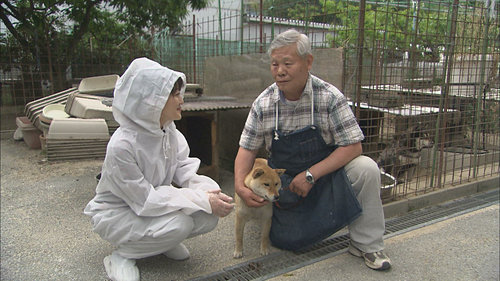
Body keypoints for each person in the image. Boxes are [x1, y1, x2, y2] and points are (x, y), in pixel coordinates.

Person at [234, 29, 392, 271]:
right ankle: (306, 224)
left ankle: (367, 244)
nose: (280, 71)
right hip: (285, 184)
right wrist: (239, 187)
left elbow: (353, 146)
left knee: (366, 168)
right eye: (275, 64)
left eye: (287, 63)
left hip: (325, 177)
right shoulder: (263, 103)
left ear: (308, 62)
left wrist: (311, 174)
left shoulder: (329, 97)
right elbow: (246, 150)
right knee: (287, 240)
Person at [84, 57, 234, 281]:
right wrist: (200, 199)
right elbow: (145, 200)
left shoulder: (169, 131)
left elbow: (185, 170)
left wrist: (211, 193)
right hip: (120, 212)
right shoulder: (122, 146)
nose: (181, 99)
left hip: (153, 206)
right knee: (181, 223)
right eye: (174, 94)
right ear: (151, 101)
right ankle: (122, 256)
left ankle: (160, 242)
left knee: (208, 216)